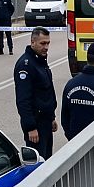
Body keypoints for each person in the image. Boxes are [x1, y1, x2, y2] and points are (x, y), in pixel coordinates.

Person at [15, 28, 58, 159]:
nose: (46, 47)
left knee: (47, 159)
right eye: (42, 43)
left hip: (45, 121)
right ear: (32, 42)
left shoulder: (40, 61)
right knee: (38, 164)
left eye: (48, 43)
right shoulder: (26, 65)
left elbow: (47, 92)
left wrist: (51, 117)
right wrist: (30, 127)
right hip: (36, 125)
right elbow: (23, 100)